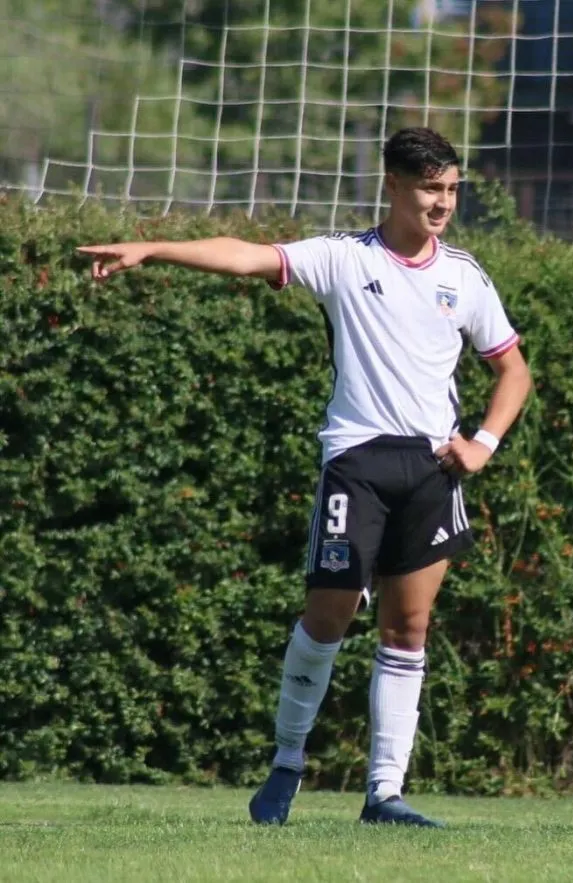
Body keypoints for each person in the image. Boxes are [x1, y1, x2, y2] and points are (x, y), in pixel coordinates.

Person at [78, 127, 532, 828]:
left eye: (451, 189)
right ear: (392, 185)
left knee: (409, 625)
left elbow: (513, 369)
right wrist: (152, 249)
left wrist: (484, 442)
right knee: (330, 615)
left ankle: (385, 793)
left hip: (432, 469)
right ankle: (288, 761)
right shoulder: (344, 258)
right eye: (429, 188)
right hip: (357, 462)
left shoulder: (464, 277)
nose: (443, 203)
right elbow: (245, 257)